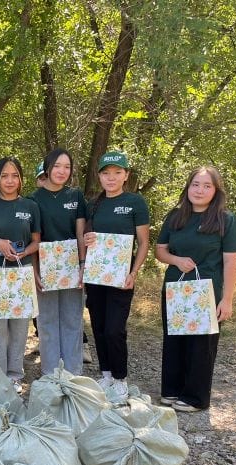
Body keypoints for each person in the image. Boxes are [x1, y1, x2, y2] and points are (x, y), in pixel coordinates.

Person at [155, 166, 236, 412]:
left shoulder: (227, 221)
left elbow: (230, 262)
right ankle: (171, 391)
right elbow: (160, 251)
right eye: (195, 184)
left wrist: (227, 299)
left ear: (216, 190)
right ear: (188, 187)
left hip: (207, 292)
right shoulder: (175, 216)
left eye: (207, 186)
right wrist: (176, 260)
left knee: (201, 346)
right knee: (174, 341)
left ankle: (195, 398)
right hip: (176, 289)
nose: (200, 190)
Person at [83, 151, 150, 400]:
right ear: (99, 176)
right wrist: (87, 239)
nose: (111, 178)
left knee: (114, 329)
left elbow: (143, 242)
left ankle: (121, 378)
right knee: (99, 326)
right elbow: (87, 238)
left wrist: (134, 272)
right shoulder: (93, 204)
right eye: (106, 173)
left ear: (126, 176)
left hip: (122, 277)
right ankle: (107, 374)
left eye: (117, 173)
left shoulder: (135, 202)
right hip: (96, 275)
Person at [0, 156, 40, 391]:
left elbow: (36, 242)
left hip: (21, 272)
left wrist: (23, 255)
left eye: (15, 175)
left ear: (21, 180)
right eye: (5, 176)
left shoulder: (30, 206)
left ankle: (14, 375)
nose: (10, 180)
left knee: (19, 325)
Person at [31, 148, 86, 375]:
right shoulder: (33, 200)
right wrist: (34, 271)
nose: (62, 171)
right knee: (47, 322)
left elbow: (81, 232)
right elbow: (33, 239)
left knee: (73, 320)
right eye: (57, 166)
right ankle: (51, 374)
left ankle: (73, 375)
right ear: (47, 168)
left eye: (67, 167)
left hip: (73, 267)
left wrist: (83, 265)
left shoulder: (75, 196)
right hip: (46, 268)